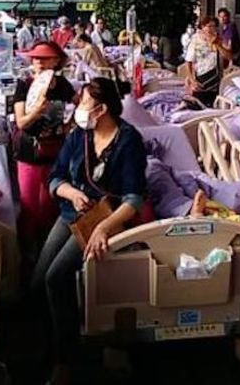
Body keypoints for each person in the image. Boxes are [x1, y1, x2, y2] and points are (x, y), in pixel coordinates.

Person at [34, 78, 147, 385]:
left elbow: (134, 199)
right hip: (73, 213)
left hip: (106, 218)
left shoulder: (128, 141)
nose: (78, 109)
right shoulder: (78, 136)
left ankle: (66, 360)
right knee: (37, 280)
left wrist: (104, 227)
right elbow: (55, 177)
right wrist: (71, 193)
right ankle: (53, 339)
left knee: (56, 278)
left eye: (83, 103)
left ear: (101, 108)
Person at [13, 42, 77, 242]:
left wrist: (70, 124)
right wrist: (36, 111)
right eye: (35, 58)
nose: (38, 62)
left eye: (44, 58)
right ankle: (27, 252)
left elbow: (81, 104)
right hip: (29, 152)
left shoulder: (63, 85)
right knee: (29, 205)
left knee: (52, 204)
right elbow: (21, 122)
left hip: (56, 151)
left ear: (56, 61)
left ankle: (47, 246)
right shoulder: (25, 84)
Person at [184, 17, 232, 107]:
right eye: (208, 26)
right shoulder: (195, 41)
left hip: (217, 79)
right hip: (202, 78)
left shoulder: (220, 40)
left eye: (214, 26)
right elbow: (188, 62)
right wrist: (192, 80)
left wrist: (218, 45)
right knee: (199, 105)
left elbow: (229, 56)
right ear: (203, 27)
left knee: (214, 106)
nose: (211, 29)